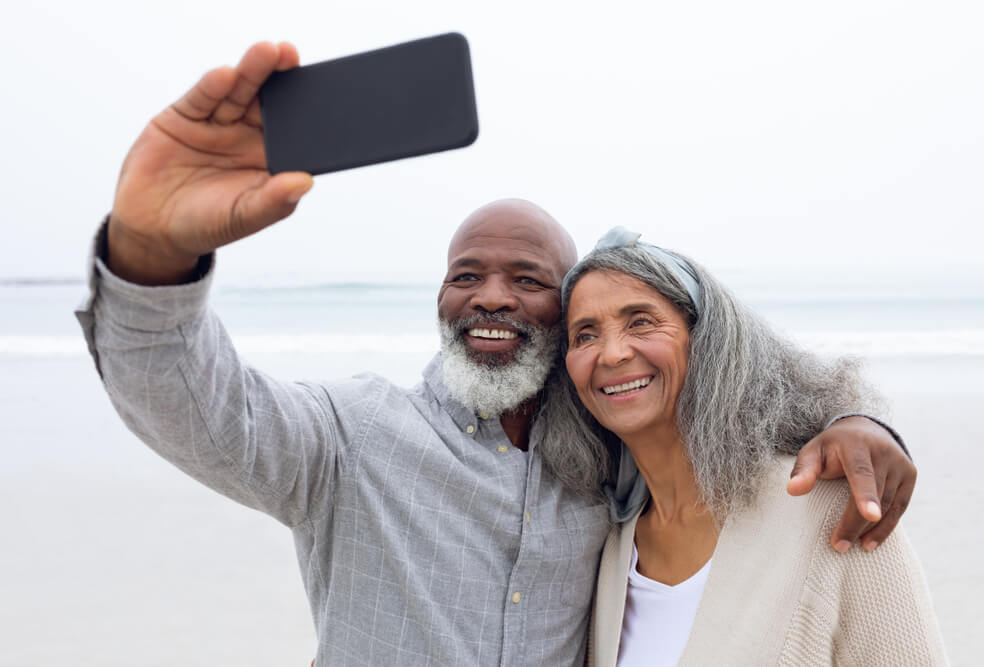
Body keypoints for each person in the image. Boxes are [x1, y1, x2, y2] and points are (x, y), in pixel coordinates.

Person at [76, 42, 918, 665]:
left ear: (563, 316)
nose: (489, 296)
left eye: (527, 278)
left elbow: (725, 407)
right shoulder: (353, 436)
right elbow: (197, 405)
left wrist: (854, 416)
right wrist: (152, 251)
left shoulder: (605, 469)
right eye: (465, 275)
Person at [560, 228, 947, 666]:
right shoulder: (610, 546)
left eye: (641, 322)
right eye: (585, 335)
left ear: (705, 339)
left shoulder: (833, 508)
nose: (611, 354)